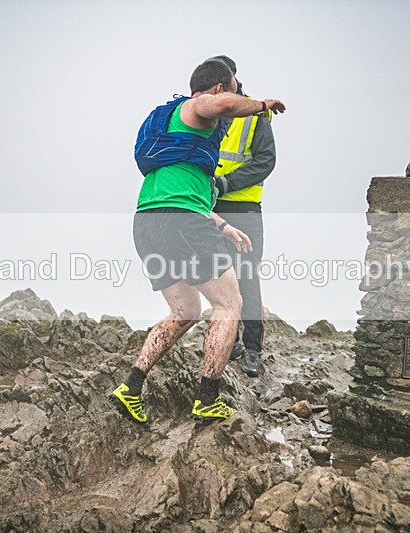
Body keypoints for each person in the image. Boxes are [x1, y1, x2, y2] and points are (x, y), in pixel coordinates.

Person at [110, 61, 286, 423]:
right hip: (183, 223)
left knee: (185, 312)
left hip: (149, 223)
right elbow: (216, 105)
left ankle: (130, 388)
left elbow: (189, 195)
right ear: (221, 88)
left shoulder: (171, 134)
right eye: (236, 90)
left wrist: (224, 227)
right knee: (229, 302)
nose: (238, 97)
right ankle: (207, 398)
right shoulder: (197, 106)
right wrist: (262, 105)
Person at [206, 55, 277, 378]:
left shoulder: (253, 113)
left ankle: (252, 349)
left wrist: (225, 184)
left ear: (230, 79)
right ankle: (227, 340)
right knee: (219, 278)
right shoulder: (206, 112)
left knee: (247, 278)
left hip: (244, 209)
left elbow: (266, 161)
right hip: (211, 210)